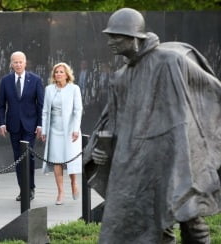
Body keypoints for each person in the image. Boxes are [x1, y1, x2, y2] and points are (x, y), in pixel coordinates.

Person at [84, 8, 221, 244]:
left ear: (134, 38)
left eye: (116, 36)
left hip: (174, 154)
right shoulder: (120, 77)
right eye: (110, 36)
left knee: (189, 215)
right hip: (138, 162)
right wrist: (100, 149)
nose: (110, 42)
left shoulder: (171, 61)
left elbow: (210, 93)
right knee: (152, 221)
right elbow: (113, 122)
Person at [0, 51, 44, 201]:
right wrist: (2, 123)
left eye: (20, 62)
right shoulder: (6, 81)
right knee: (18, 157)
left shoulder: (35, 80)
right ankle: (22, 189)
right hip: (14, 125)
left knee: (28, 156)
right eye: (15, 62)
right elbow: (1, 105)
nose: (18, 64)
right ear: (11, 64)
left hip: (30, 125)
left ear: (25, 63)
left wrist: (40, 125)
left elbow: (41, 104)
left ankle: (30, 187)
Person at [40, 62, 83, 205]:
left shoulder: (74, 89)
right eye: (56, 72)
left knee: (70, 158)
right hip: (54, 129)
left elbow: (78, 110)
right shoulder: (49, 89)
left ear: (67, 74)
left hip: (70, 128)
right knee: (57, 160)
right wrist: (45, 131)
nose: (58, 74)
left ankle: (74, 183)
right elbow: (45, 111)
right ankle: (60, 192)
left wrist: (76, 129)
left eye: (61, 72)